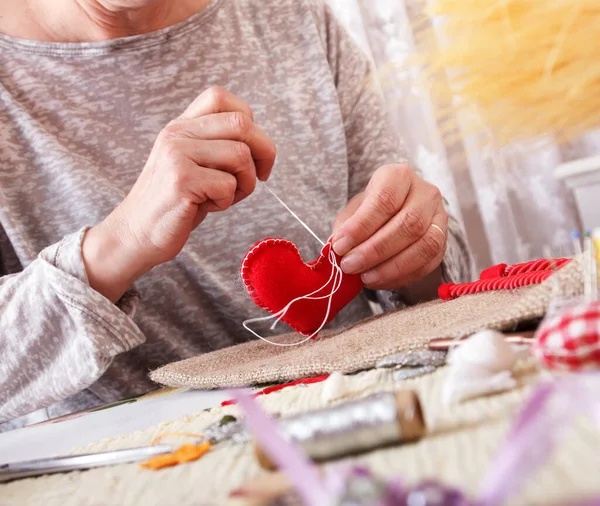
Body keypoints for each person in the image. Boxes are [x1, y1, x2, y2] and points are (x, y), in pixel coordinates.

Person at [0, 0, 471, 430]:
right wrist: (117, 243)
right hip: (142, 472)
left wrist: (416, 249)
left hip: (368, 420)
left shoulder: (292, 19)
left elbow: (443, 274)